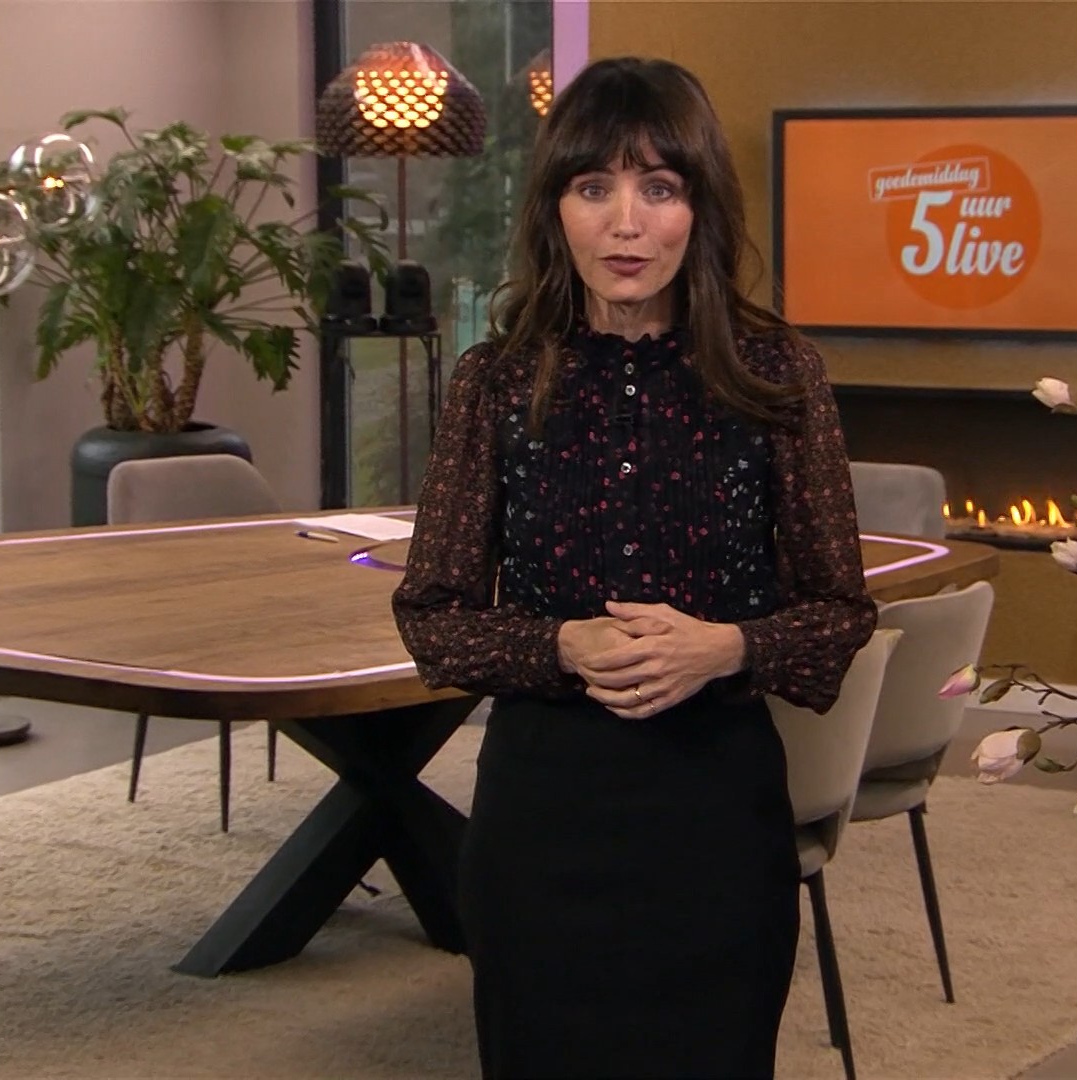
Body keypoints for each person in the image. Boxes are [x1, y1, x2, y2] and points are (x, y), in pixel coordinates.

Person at [390, 55, 875, 1080]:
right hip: (542, 815)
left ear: (700, 207)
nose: (625, 224)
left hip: (716, 815)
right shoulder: (496, 380)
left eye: (658, 188)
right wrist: (561, 645)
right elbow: (432, 616)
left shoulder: (776, 373)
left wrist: (725, 648)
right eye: (592, 187)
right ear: (554, 208)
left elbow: (840, 610)